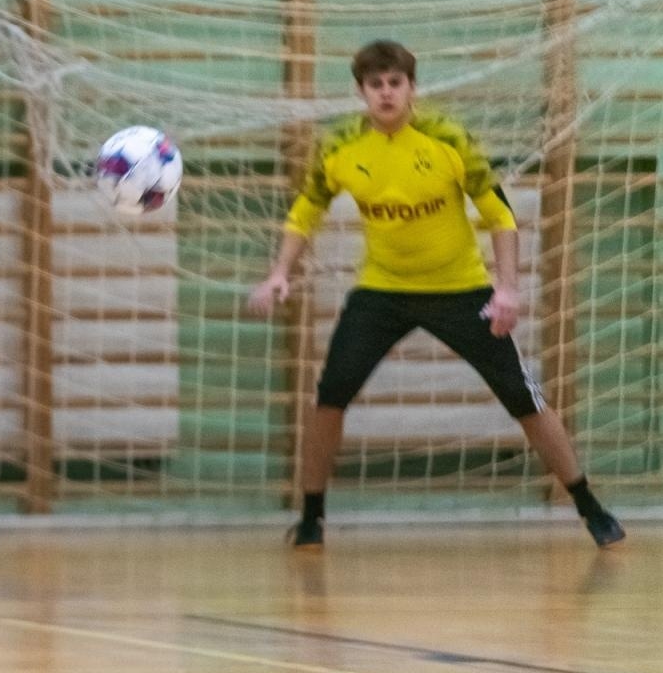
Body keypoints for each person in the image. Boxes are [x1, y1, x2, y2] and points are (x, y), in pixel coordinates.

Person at [248, 40, 624, 550]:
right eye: (375, 85)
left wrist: (507, 289)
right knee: (329, 395)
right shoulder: (338, 148)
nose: (386, 94)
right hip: (381, 291)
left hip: (460, 289)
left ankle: (589, 507)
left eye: (394, 83)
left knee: (524, 398)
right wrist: (279, 272)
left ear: (411, 88)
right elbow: (305, 211)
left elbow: (500, 216)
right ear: (361, 92)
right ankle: (312, 517)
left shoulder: (446, 138)